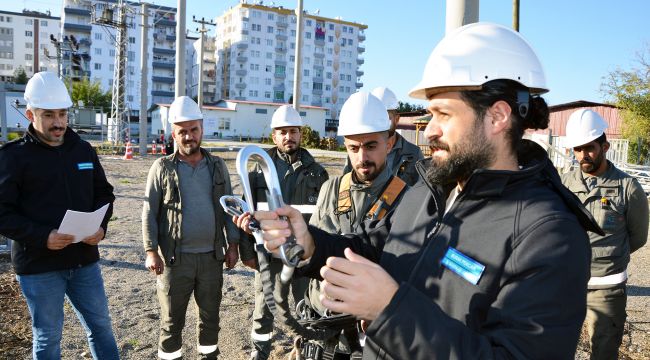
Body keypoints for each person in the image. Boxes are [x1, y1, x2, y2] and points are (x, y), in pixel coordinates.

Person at [253, 23, 603, 359]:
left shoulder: (549, 236)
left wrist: (390, 310)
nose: (430, 130)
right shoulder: (430, 190)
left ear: (497, 117)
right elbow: (374, 248)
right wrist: (312, 245)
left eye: (444, 115)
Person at [0, 71, 118, 359]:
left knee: (101, 326)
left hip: (83, 261)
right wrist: (44, 237)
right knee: (48, 336)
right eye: (49, 115)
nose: (58, 122)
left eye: (62, 114)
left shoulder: (83, 150)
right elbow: (2, 213)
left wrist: (100, 227)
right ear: (30, 114)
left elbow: (104, 194)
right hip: (39, 265)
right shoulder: (13, 157)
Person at [303, 91, 408, 358]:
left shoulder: (408, 198)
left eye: (371, 146)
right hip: (323, 325)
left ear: (390, 142)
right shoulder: (331, 189)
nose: (362, 157)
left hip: (368, 338)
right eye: (353, 147)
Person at [142, 96, 240, 360]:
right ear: (173, 133)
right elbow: (150, 211)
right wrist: (151, 250)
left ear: (201, 129)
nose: (188, 137)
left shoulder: (217, 166)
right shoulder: (161, 168)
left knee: (210, 319)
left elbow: (230, 208)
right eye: (182, 132)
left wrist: (233, 245)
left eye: (193, 130)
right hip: (176, 261)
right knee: (172, 322)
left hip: (211, 258)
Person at [237, 104, 329, 360]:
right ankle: (260, 352)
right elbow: (247, 215)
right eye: (282, 132)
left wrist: (317, 255)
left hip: (303, 255)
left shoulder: (317, 173)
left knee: (306, 307)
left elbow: (322, 220)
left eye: (293, 131)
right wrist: (248, 252)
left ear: (301, 134)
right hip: (269, 253)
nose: (288, 136)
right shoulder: (257, 172)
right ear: (274, 136)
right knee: (265, 307)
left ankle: (303, 351)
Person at [561, 109, 649, 360]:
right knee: (558, 346)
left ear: (605, 146)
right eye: (577, 149)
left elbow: (638, 236)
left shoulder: (627, 187)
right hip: (567, 284)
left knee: (604, 352)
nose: (582, 155)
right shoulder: (564, 183)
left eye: (589, 148)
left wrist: (607, 257)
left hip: (607, 287)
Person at [342, 87, 424, 186]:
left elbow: (421, 190)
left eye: (386, 118)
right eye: (377, 118)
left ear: (396, 119)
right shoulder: (358, 151)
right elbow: (346, 185)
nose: (382, 125)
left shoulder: (413, 153)